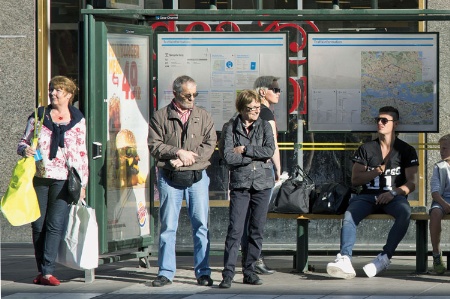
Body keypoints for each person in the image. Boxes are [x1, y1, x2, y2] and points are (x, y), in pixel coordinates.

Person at [326, 106, 418, 279]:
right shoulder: (367, 148)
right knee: (350, 214)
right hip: (368, 196)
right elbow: (355, 180)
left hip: (394, 197)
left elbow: (412, 184)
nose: (380, 123)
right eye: (378, 120)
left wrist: (394, 193)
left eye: (385, 120)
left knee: (405, 213)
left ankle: (384, 257)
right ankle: (345, 258)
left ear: (395, 124)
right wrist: (376, 172)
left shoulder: (406, 150)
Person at [17, 76, 88, 286]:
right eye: (51, 90)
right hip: (39, 176)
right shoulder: (39, 116)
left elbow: (82, 153)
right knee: (38, 225)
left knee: (55, 225)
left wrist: (82, 184)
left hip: (64, 179)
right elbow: (22, 142)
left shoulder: (78, 119)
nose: (53, 93)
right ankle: (42, 270)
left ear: (68, 94)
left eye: (57, 90)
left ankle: (47, 271)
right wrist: (25, 149)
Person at [148, 75, 217, 287]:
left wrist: (186, 160)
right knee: (169, 226)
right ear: (176, 93)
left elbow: (210, 144)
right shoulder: (160, 117)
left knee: (201, 226)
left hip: (197, 177)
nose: (192, 98)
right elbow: (154, 145)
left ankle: (203, 271)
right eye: (188, 95)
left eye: (195, 94)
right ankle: (166, 272)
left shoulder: (203, 116)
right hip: (170, 178)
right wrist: (177, 153)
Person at [218, 89, 275, 288]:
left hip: (262, 183)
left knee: (256, 229)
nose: (255, 112)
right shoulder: (230, 127)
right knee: (235, 229)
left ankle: (249, 271)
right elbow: (228, 157)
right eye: (251, 109)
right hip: (240, 183)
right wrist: (255, 156)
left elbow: (270, 150)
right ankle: (228, 274)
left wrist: (245, 149)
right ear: (241, 109)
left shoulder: (265, 126)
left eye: (258, 108)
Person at [240, 76, 281, 275]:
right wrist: (278, 170)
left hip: (248, 168)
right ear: (263, 92)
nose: (279, 92)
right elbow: (273, 146)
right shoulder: (266, 114)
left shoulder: (255, 113)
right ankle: (255, 259)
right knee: (257, 218)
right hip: (263, 169)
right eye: (275, 89)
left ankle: (249, 258)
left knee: (247, 217)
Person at [429, 133, 450, 275]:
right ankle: (436, 255)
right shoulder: (439, 167)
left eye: (444, 149)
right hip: (443, 199)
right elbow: (435, 193)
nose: (441, 152)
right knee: (435, 213)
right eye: (440, 149)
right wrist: (445, 205)